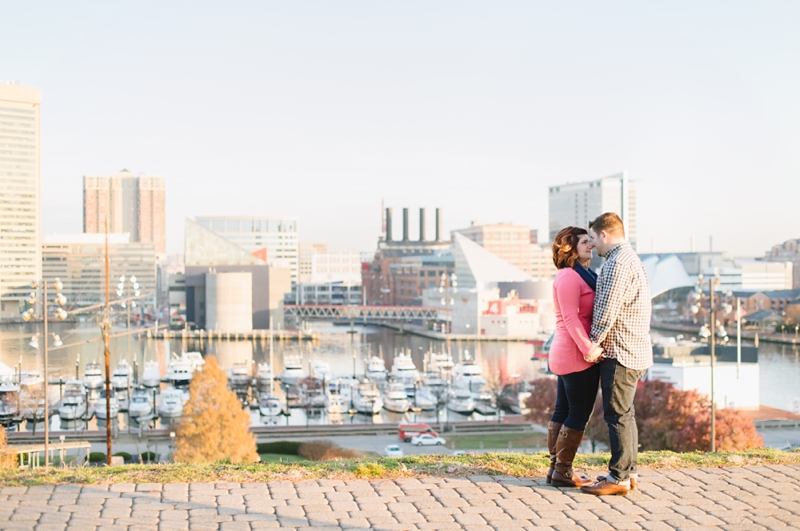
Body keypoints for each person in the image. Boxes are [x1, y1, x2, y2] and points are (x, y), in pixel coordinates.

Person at [580, 212, 653, 496]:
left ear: (605, 235)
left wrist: (592, 343)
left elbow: (605, 309)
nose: (594, 245)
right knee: (626, 414)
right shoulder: (632, 259)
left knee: (617, 415)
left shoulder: (615, 264)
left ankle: (618, 478)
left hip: (620, 352)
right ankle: (629, 472)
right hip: (636, 349)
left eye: (595, 238)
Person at [546, 226, 604, 488]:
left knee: (565, 410)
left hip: (568, 351)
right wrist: (588, 348)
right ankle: (562, 470)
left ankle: (556, 468)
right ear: (570, 247)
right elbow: (570, 317)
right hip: (575, 353)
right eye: (584, 241)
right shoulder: (570, 277)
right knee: (578, 413)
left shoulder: (581, 274)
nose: (590, 245)